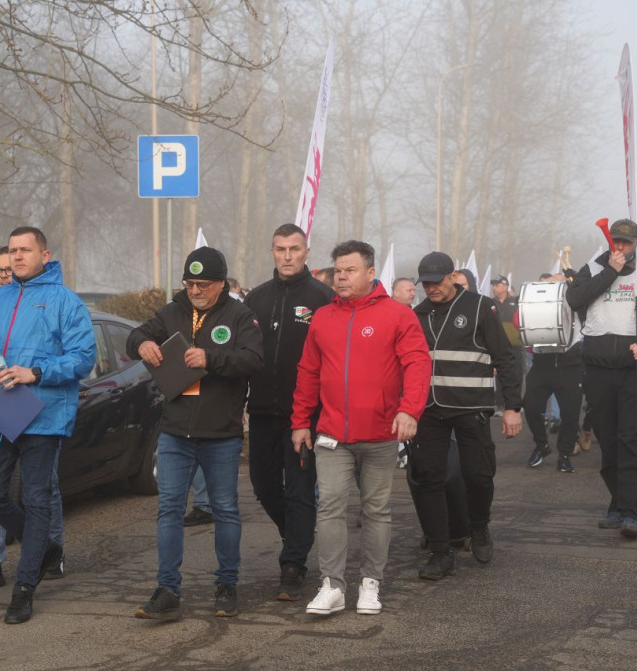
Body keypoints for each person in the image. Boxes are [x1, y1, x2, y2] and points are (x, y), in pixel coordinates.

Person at [0, 227, 95, 624]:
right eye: (12, 250)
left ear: (45, 255)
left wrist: (36, 372)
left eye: (24, 250)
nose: (16, 257)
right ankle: (44, 546)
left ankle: (25, 588)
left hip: (43, 417)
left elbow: (83, 358)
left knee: (36, 499)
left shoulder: (65, 301)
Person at [291, 240, 431, 616]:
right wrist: (301, 421)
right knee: (330, 507)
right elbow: (308, 372)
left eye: (350, 270)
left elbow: (417, 365)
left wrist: (409, 411)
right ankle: (332, 586)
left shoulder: (398, 315)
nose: (341, 277)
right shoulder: (323, 317)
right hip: (331, 434)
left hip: (382, 433)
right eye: (338, 270)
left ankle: (371, 584)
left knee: (376, 511)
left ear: (371, 273)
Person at [129, 246, 263, 621]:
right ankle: (167, 588)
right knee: (168, 509)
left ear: (221, 283)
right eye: (189, 283)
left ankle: (226, 585)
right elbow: (135, 335)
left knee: (225, 509)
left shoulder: (240, 315)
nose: (195, 290)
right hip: (174, 433)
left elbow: (253, 361)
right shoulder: (172, 312)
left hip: (221, 433)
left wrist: (211, 358)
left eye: (203, 284)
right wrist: (142, 343)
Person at [409, 252, 522, 580]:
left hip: (471, 407)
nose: (431, 289)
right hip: (428, 410)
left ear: (453, 276)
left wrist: (512, 407)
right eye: (426, 284)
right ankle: (441, 551)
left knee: (478, 475)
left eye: (437, 282)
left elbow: (506, 357)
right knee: (429, 478)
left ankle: (479, 527)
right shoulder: (418, 313)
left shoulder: (480, 306)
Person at [0, 247, 66, 593]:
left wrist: (36, 375)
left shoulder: (48, 303)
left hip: (37, 414)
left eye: (10, 268)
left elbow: (68, 356)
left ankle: (48, 553)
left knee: (42, 492)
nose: (5, 275)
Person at [566, 219, 637, 538]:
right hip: (598, 369)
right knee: (609, 440)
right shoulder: (592, 268)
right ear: (609, 241)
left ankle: (630, 512)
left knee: (630, 439)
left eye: (627, 243)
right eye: (616, 241)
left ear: (636, 242)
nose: (621, 248)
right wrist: (610, 272)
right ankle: (618, 503)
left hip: (634, 370)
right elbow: (575, 300)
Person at [244, 224, 334, 601]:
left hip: (306, 417)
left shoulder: (323, 298)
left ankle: (292, 564)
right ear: (272, 251)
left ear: (306, 251)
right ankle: (298, 532)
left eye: (294, 249)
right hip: (263, 411)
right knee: (263, 486)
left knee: (299, 490)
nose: (287, 255)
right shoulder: (256, 299)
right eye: (280, 248)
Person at [523, 273, 583, 473]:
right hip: (542, 362)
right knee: (530, 407)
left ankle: (564, 454)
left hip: (570, 363)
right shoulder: (541, 299)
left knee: (570, 414)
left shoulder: (576, 299)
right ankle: (542, 445)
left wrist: (570, 283)